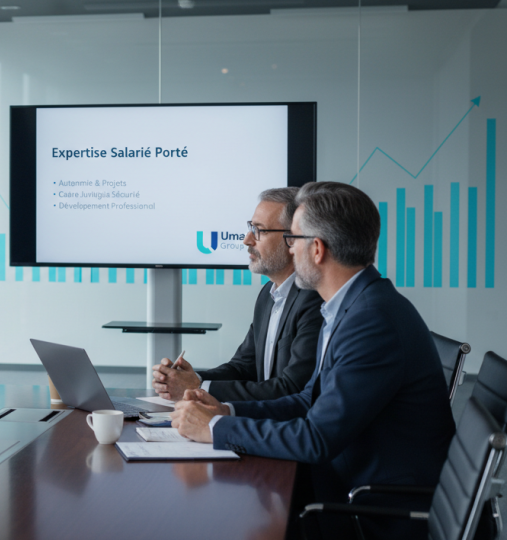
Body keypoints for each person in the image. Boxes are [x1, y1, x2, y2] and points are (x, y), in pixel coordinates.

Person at [170, 182, 455, 539]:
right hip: (347, 484)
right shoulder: (349, 306)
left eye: (293, 239)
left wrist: (213, 430)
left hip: (371, 508)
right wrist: (226, 412)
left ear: (316, 249)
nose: (290, 249)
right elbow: (310, 399)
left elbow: (316, 438)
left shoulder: (371, 321)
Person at [152, 187, 324, 402]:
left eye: (259, 230)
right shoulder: (268, 295)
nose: (247, 240)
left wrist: (198, 387)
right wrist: (190, 379)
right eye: (251, 228)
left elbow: (293, 388)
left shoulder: (315, 298)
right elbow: (244, 367)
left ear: (293, 238)